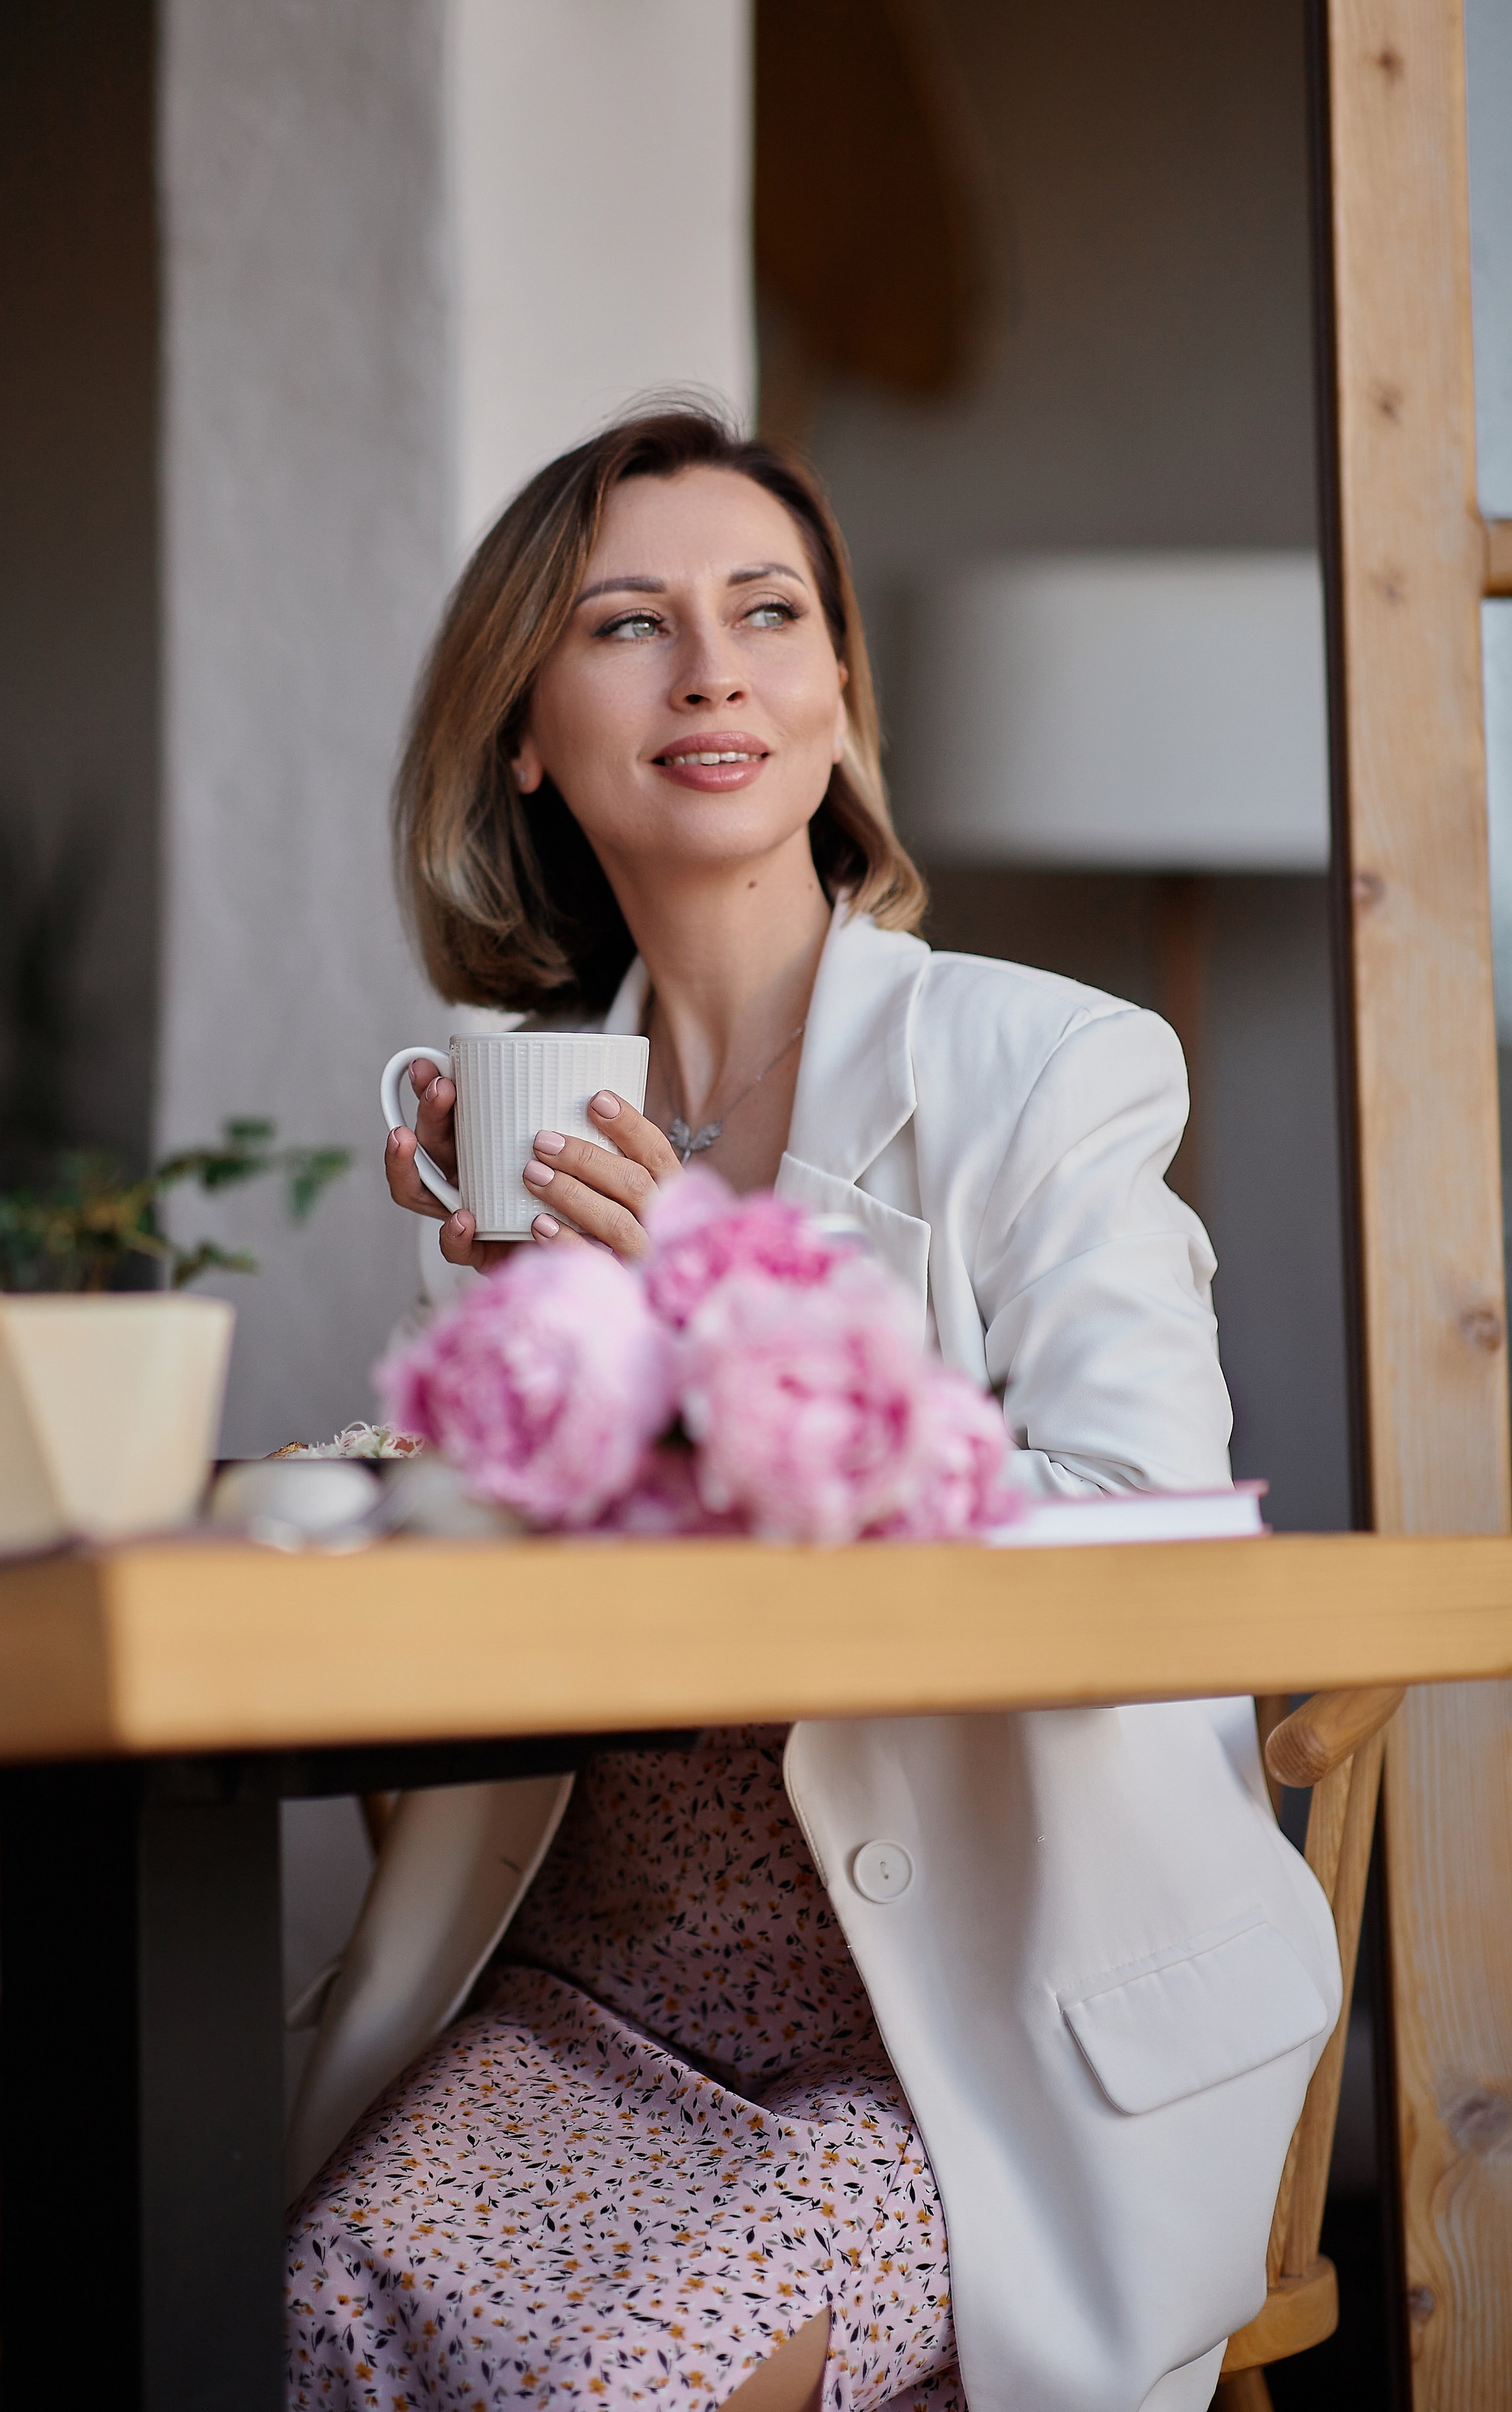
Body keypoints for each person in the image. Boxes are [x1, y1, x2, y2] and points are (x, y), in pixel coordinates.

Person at [283, 408, 1339, 2412]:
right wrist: (491, 1429)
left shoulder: (1056, 1068)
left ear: (836, 693)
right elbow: (531, 1598)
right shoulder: (525, 1122)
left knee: (617, 2374)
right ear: (522, 727)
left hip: (966, 2027)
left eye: (770, 612)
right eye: (627, 623)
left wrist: (720, 1295)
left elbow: (1146, 1527)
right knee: (313, 2303)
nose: (714, 669)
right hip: (588, 1987)